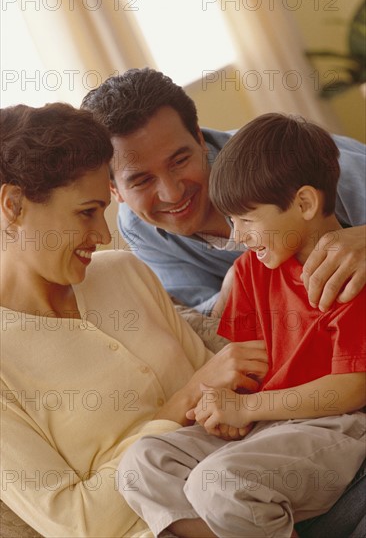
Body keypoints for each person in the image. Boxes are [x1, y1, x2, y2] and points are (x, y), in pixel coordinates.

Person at [0, 103, 268, 538]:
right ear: (14, 205)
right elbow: (78, 522)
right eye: (86, 213)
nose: (103, 235)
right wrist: (181, 403)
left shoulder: (123, 271)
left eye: (104, 211)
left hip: (258, 484)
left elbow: (223, 390)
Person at [117, 114, 366, 538]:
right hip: (268, 425)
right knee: (142, 464)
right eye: (232, 221)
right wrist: (225, 401)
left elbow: (352, 389)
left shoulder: (347, 275)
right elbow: (249, 361)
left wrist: (248, 409)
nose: (238, 235)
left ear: (304, 204)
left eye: (247, 220)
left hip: (335, 424)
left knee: (219, 484)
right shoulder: (251, 272)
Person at [81, 67, 366, 316]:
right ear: (113, 189)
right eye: (141, 181)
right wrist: (239, 282)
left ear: (199, 138)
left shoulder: (286, 159)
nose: (172, 193)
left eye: (180, 161)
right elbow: (207, 313)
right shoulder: (138, 228)